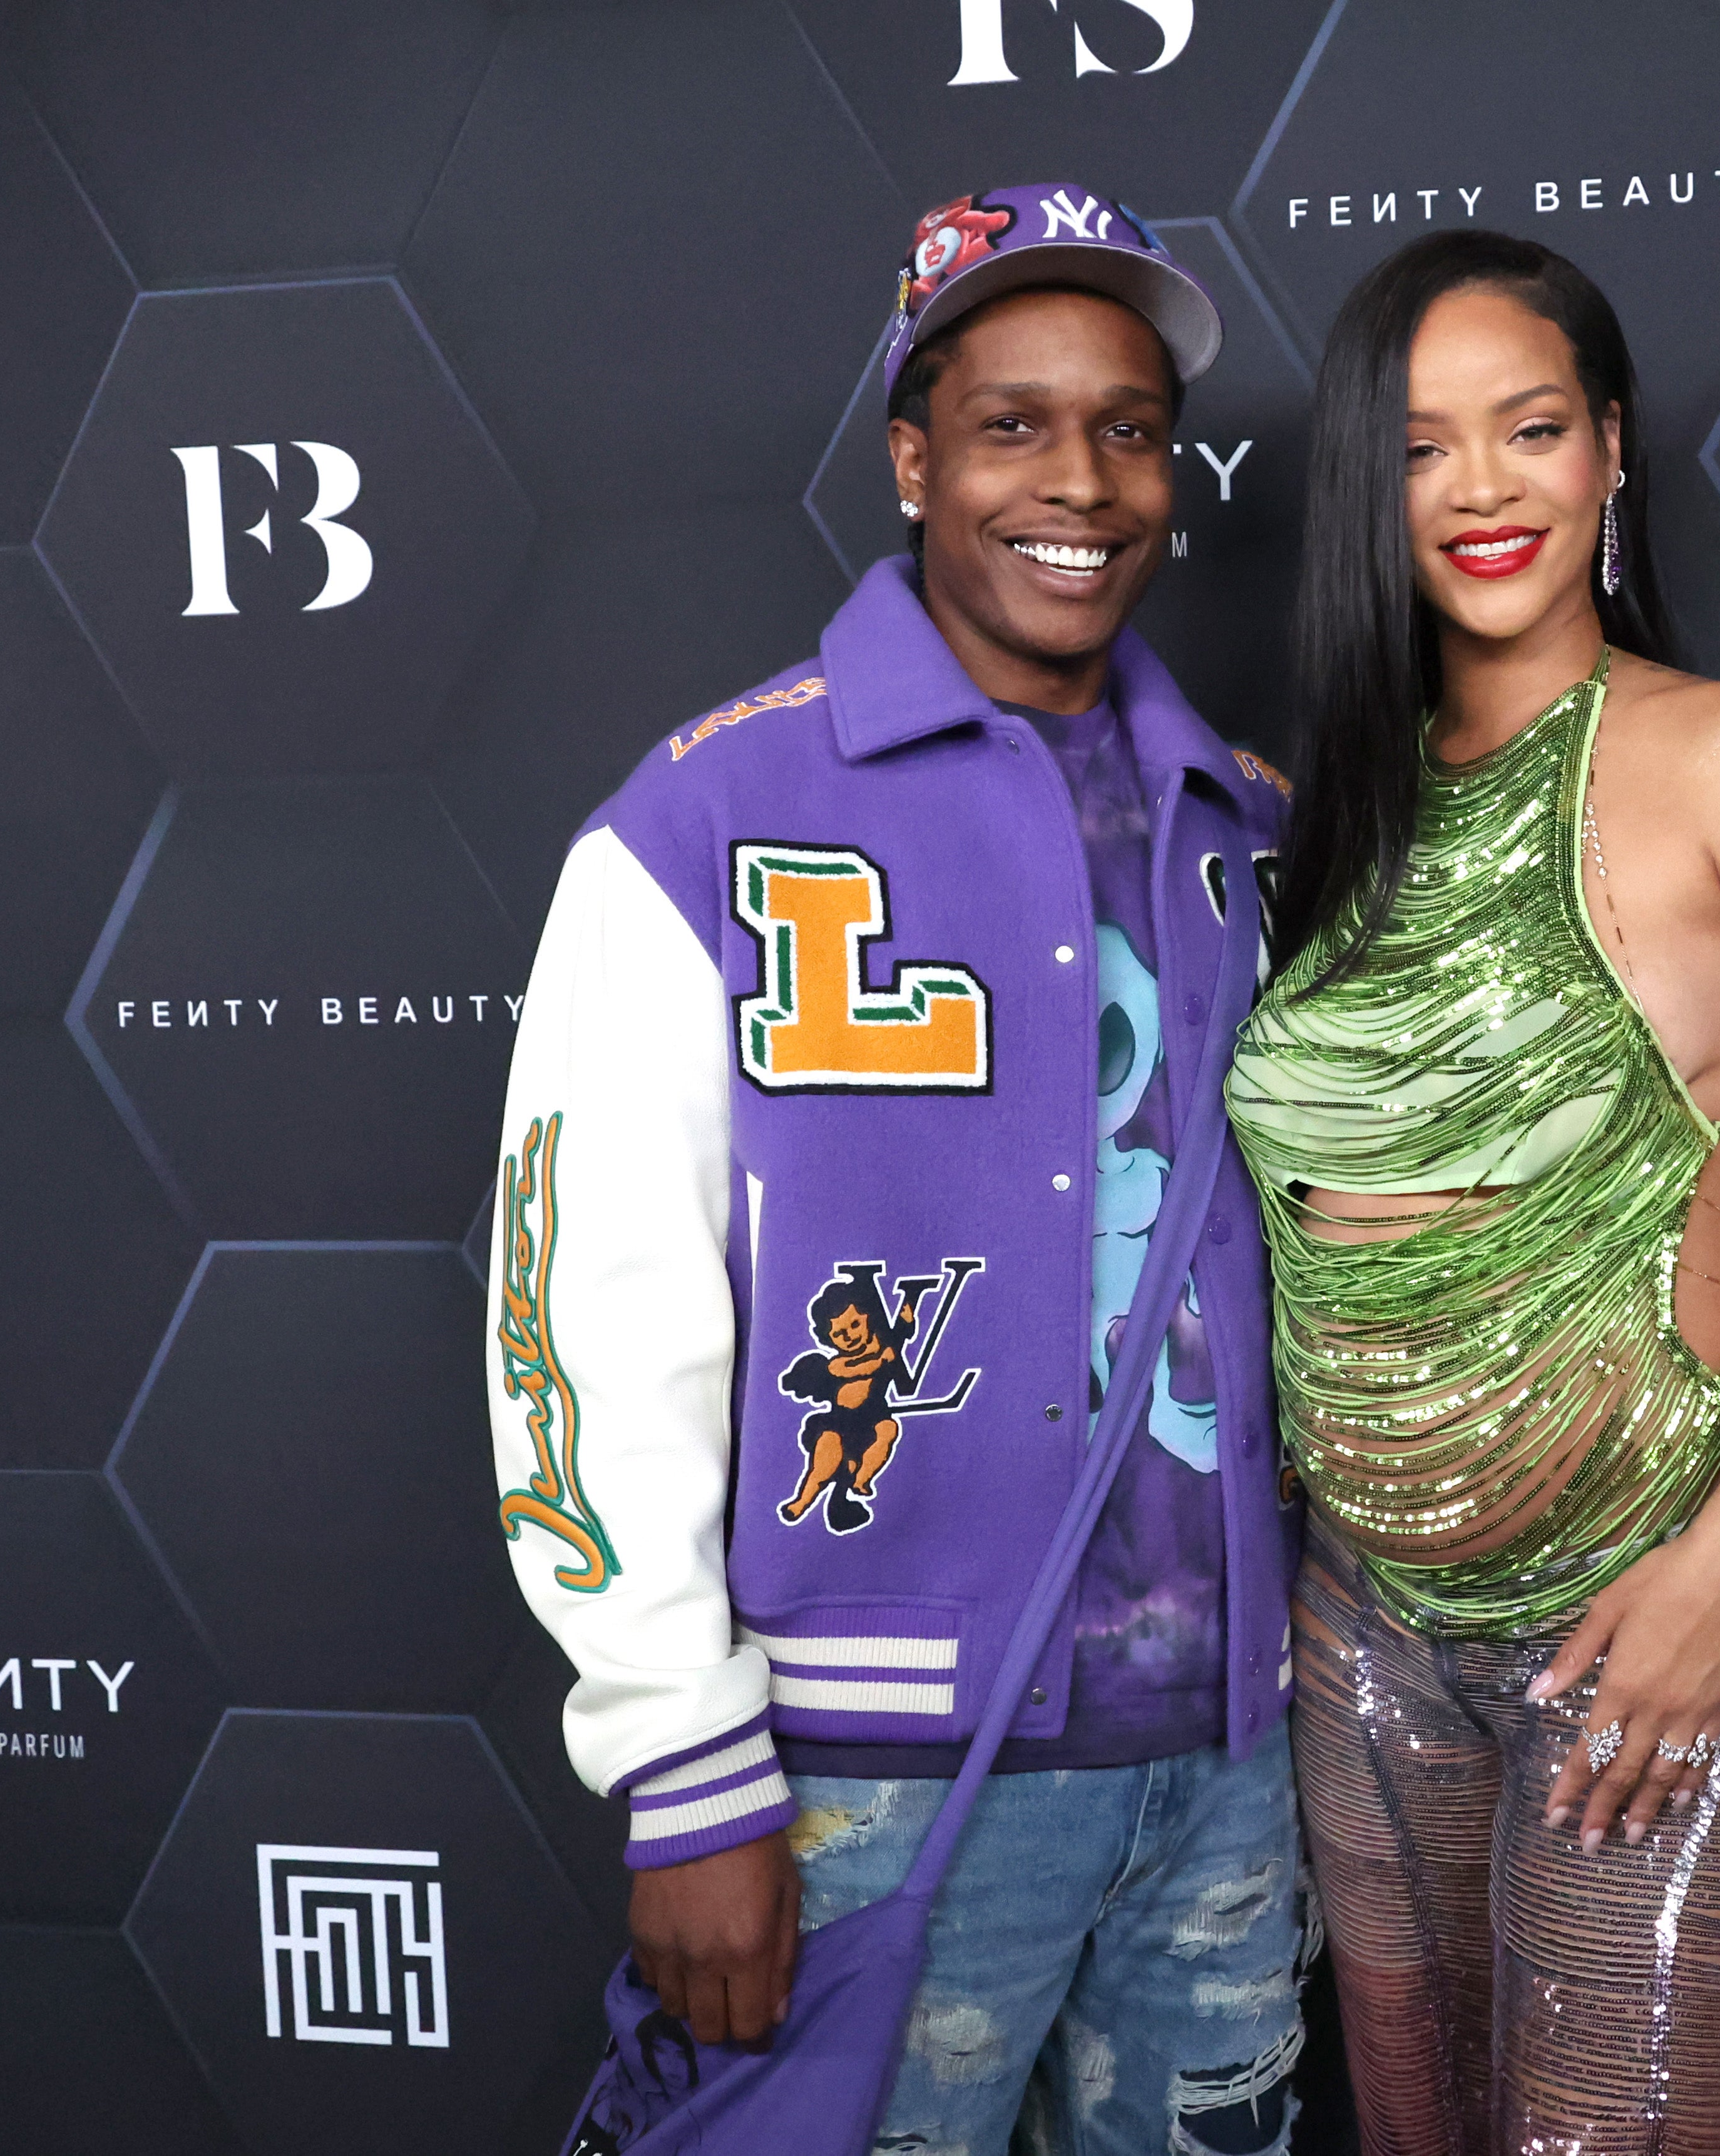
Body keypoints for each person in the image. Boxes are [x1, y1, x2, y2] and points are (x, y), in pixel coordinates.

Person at [487, 183, 1316, 2156]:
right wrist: (685, 1769)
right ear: (913, 455)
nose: (1084, 481)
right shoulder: (703, 820)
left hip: (1228, 1768)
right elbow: (579, 1313)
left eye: (1128, 426)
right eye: (1015, 422)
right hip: (866, 1785)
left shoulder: (1261, 823)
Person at [1226, 231, 1720, 2153]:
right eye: (1416, 451)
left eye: (1530, 429)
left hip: (1659, 1620)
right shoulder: (1327, 818)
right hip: (1361, 1638)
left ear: (1611, 449)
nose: (1479, 490)